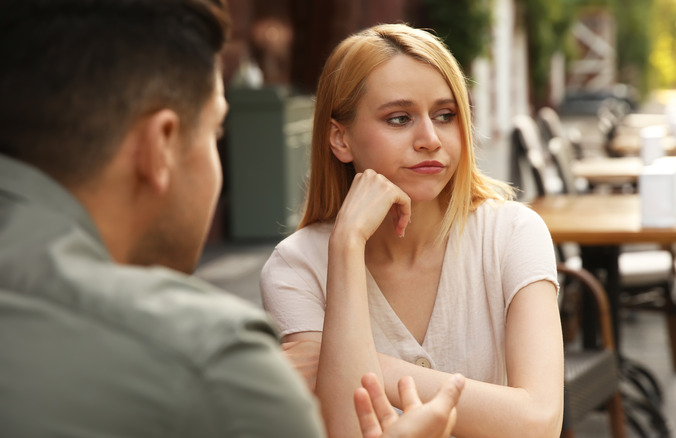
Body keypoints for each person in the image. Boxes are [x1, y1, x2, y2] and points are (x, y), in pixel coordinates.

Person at [0, 1, 463, 437]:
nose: (429, 138)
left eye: (445, 115)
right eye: (215, 130)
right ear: (160, 145)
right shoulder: (213, 362)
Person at [260, 23, 565, 438]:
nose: (429, 139)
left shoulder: (511, 234)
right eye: (399, 118)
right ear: (340, 138)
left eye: (445, 115)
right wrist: (347, 245)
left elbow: (538, 422)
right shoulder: (298, 266)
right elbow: (344, 431)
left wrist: (365, 364)